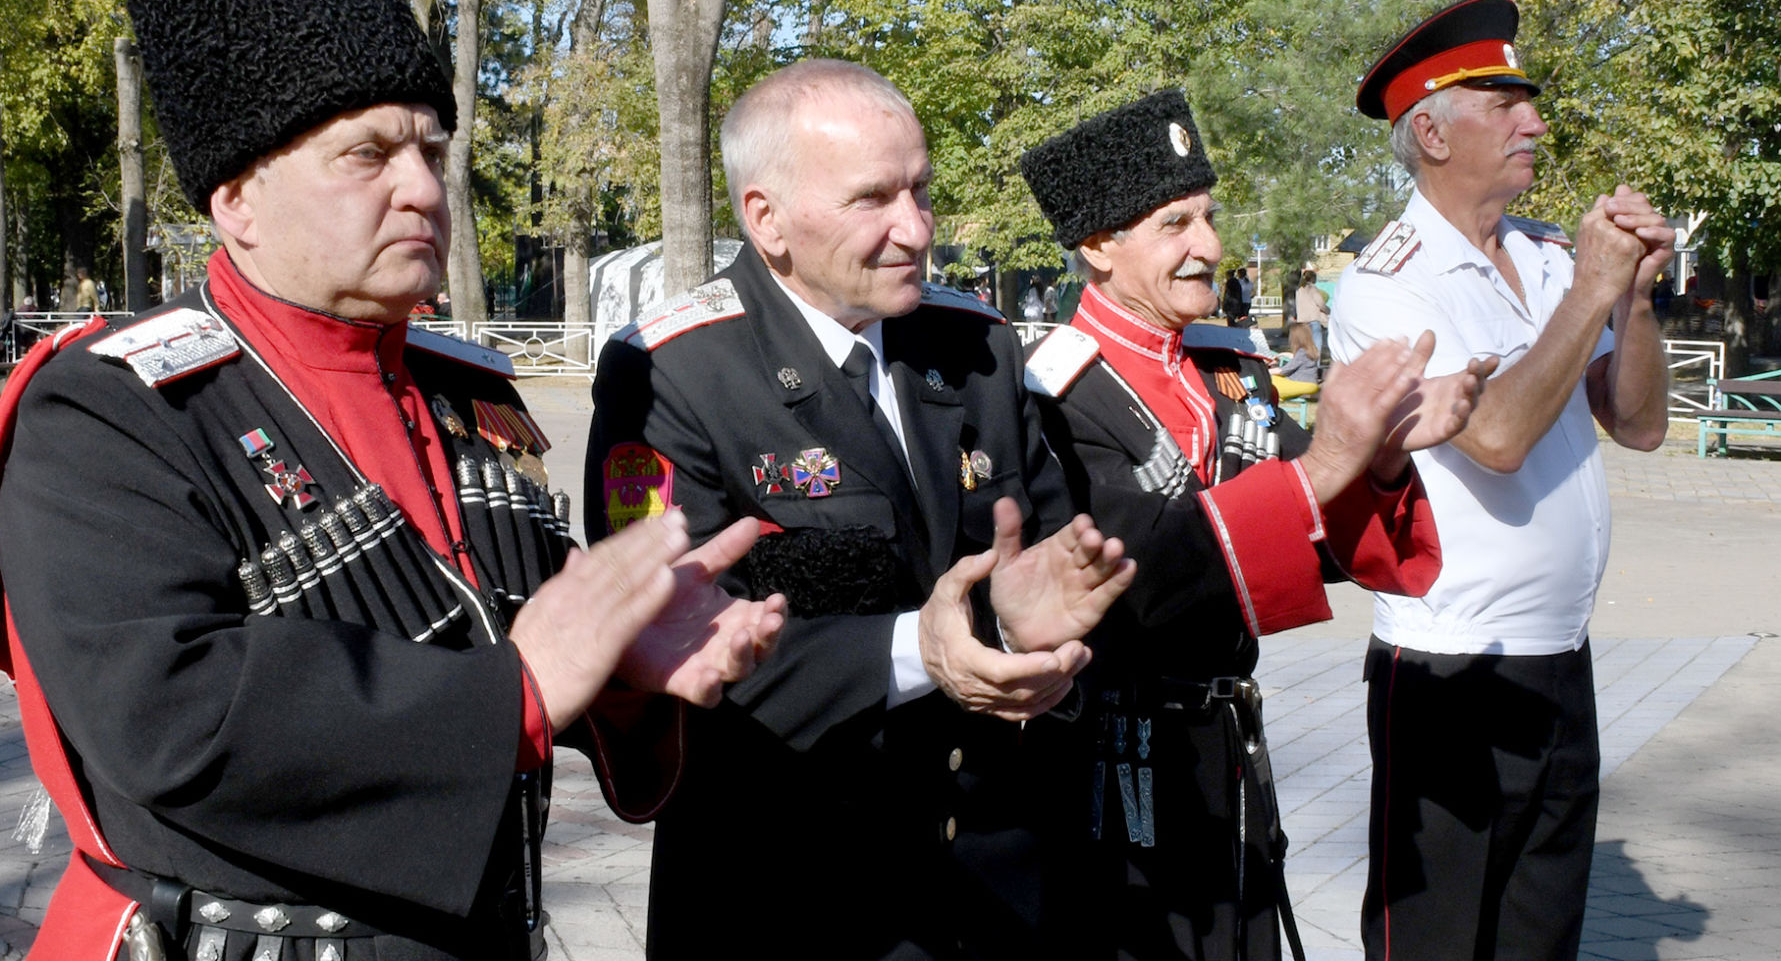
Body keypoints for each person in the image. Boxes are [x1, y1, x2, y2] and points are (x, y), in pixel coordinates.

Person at [0, 0, 784, 961]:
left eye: (428, 148)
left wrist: (626, 670)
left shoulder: (463, 395)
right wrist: (512, 691)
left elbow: (538, 648)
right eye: (366, 154)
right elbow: (167, 716)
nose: (422, 188)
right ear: (237, 198)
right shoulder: (113, 406)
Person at [584, 58, 1137, 958]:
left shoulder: (978, 349)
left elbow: (1055, 570)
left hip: (997, 887)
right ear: (765, 219)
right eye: (871, 199)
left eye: (920, 189)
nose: (915, 229)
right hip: (793, 893)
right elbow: (670, 643)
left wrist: (1042, 642)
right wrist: (921, 651)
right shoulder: (672, 374)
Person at [1015, 87, 1489, 961]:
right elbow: (1144, 573)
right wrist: (1328, 459)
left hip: (1226, 750)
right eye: (1172, 225)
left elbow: (1336, 542)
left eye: (1207, 216)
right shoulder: (1046, 392)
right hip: (1112, 762)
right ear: (1096, 246)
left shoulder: (1230, 367)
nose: (1208, 247)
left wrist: (1380, 451)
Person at [1332, 0, 1672, 961]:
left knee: (1539, 935)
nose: (1534, 122)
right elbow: (1497, 439)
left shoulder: (1545, 254)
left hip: (1560, 656)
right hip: (1449, 669)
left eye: (1529, 100)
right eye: (1503, 103)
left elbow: (1639, 424)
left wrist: (1635, 296)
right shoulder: (1388, 280)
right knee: (1436, 941)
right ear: (1430, 132)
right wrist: (1593, 291)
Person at [1272, 321, 1321, 398]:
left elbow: (1284, 371)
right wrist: (1284, 354)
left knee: (1269, 380)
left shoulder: (1302, 352)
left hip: (1301, 383)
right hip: (1310, 383)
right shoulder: (1310, 351)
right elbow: (1300, 360)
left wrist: (1265, 371)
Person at [1294, 268, 1330, 355]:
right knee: (1316, 346)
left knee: (1304, 346)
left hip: (1302, 321)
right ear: (1313, 278)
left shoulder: (1299, 289)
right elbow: (1320, 304)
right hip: (1313, 320)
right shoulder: (1312, 288)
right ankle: (1315, 365)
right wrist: (1328, 311)